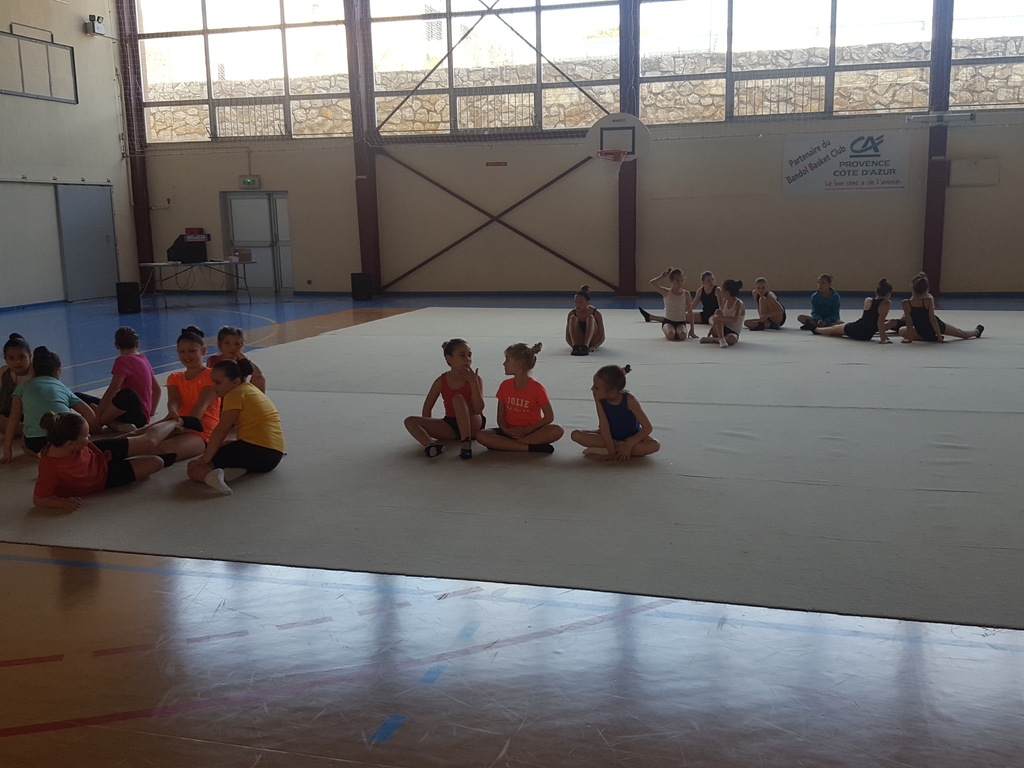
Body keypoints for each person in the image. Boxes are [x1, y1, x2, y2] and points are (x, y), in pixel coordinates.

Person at [31, 411, 181, 512]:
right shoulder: (51, 468)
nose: (89, 437)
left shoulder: (65, 442)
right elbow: (39, 499)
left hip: (98, 452)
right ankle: (167, 431)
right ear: (70, 444)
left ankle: (175, 420)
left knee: (148, 442)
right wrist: (62, 503)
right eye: (86, 436)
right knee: (157, 462)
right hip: (104, 478)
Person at [187, 358, 284, 495]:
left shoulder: (234, 394)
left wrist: (205, 459)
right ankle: (235, 470)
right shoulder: (250, 389)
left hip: (257, 451)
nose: (213, 387)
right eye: (212, 382)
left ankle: (212, 477)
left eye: (218, 382)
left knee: (193, 467)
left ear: (235, 382)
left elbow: (222, 429)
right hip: (274, 456)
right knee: (226, 444)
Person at [2, 347, 96, 461]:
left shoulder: (21, 388)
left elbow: (13, 418)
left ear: (33, 370)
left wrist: (7, 449)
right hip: (66, 439)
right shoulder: (62, 387)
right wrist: (85, 434)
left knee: (23, 441)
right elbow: (90, 415)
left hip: (36, 443)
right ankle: (63, 450)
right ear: (58, 371)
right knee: (70, 427)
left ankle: (43, 453)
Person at [404, 338, 485, 460]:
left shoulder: (476, 379)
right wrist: (429, 429)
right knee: (410, 421)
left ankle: (466, 443)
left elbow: (478, 409)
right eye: (462, 355)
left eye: (469, 355)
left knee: (458, 399)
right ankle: (430, 445)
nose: (467, 359)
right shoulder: (441, 381)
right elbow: (427, 407)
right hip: (450, 425)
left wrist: (474, 384)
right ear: (449, 359)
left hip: (473, 423)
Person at [148, 326, 220, 461]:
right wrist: (173, 413)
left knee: (160, 450)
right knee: (141, 439)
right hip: (178, 422)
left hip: (201, 430)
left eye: (192, 351)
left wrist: (185, 426)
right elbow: (174, 400)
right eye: (182, 351)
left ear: (203, 351)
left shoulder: (211, 376)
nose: (187, 355)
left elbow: (200, 406)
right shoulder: (174, 377)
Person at [476, 342, 563, 454]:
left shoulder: (537, 388)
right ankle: (529, 447)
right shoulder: (504, 385)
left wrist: (526, 430)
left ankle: (505, 445)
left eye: (507, 360)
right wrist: (506, 430)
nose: (504, 364)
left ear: (518, 364)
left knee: (557, 430)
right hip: (509, 432)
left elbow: (549, 417)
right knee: (481, 435)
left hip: (532, 431)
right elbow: (500, 417)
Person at [78, 326, 160, 433]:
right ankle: (116, 425)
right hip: (139, 415)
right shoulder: (143, 359)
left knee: (127, 394)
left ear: (116, 345)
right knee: (79, 397)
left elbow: (113, 389)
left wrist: (98, 414)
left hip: (136, 416)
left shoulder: (122, 360)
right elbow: (157, 389)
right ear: (137, 344)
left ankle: (98, 422)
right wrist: (151, 412)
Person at [570, 364, 660, 461]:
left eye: (596, 387)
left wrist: (629, 444)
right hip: (610, 437)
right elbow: (604, 426)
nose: (592, 389)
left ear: (611, 393)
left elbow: (647, 428)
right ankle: (616, 449)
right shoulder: (600, 397)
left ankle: (605, 449)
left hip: (632, 437)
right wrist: (611, 452)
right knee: (576, 435)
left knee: (654, 445)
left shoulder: (630, 400)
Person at [896, 273, 983, 343]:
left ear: (912, 287)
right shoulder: (928, 300)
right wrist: (938, 336)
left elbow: (909, 322)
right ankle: (977, 331)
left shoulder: (905, 303)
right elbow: (932, 319)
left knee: (902, 331)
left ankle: (926, 338)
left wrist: (910, 339)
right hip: (935, 327)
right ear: (926, 289)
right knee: (961, 333)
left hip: (921, 330)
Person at [810, 278, 894, 343]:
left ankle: (816, 329)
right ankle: (817, 330)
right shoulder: (885, 304)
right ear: (888, 294)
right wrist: (883, 339)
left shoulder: (868, 300)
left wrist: (884, 338)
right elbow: (879, 322)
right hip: (866, 334)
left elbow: (871, 320)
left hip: (858, 328)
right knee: (836, 330)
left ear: (876, 291)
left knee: (835, 328)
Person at [637, 269, 695, 341]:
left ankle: (678, 331)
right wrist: (661, 277)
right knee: (670, 335)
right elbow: (651, 283)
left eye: (682, 280)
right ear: (671, 281)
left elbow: (690, 311)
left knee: (682, 336)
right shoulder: (666, 292)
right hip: (668, 321)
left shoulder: (686, 294)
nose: (680, 283)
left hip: (681, 322)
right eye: (677, 281)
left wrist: (692, 329)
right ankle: (671, 330)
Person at [207, 326, 266, 393]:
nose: (232, 347)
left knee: (260, 378)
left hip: (238, 394)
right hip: (219, 394)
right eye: (227, 343)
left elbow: (258, 375)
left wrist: (240, 355)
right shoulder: (212, 360)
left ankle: (257, 399)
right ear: (220, 344)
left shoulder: (242, 362)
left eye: (237, 344)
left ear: (241, 345)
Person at [0, 333, 32, 440]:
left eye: (22, 357)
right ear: (5, 358)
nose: (17, 362)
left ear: (30, 357)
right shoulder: (3, 372)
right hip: (8, 417)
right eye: (11, 358)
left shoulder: (37, 374)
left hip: (29, 418)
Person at [700, 280, 746, 347]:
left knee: (732, 339)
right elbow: (719, 317)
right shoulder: (724, 301)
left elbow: (735, 319)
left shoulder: (739, 304)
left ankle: (714, 340)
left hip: (733, 332)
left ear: (727, 292)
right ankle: (721, 339)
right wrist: (712, 328)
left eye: (722, 289)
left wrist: (719, 318)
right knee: (718, 312)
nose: (720, 291)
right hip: (721, 329)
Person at [565, 285, 606, 356]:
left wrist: (595, 346)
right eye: (575, 302)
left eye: (580, 302)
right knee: (573, 318)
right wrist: (572, 345)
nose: (577, 305)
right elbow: (567, 335)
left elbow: (602, 335)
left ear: (588, 302)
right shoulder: (572, 313)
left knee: (591, 318)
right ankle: (576, 347)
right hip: (579, 340)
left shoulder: (595, 313)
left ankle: (585, 346)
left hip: (592, 341)